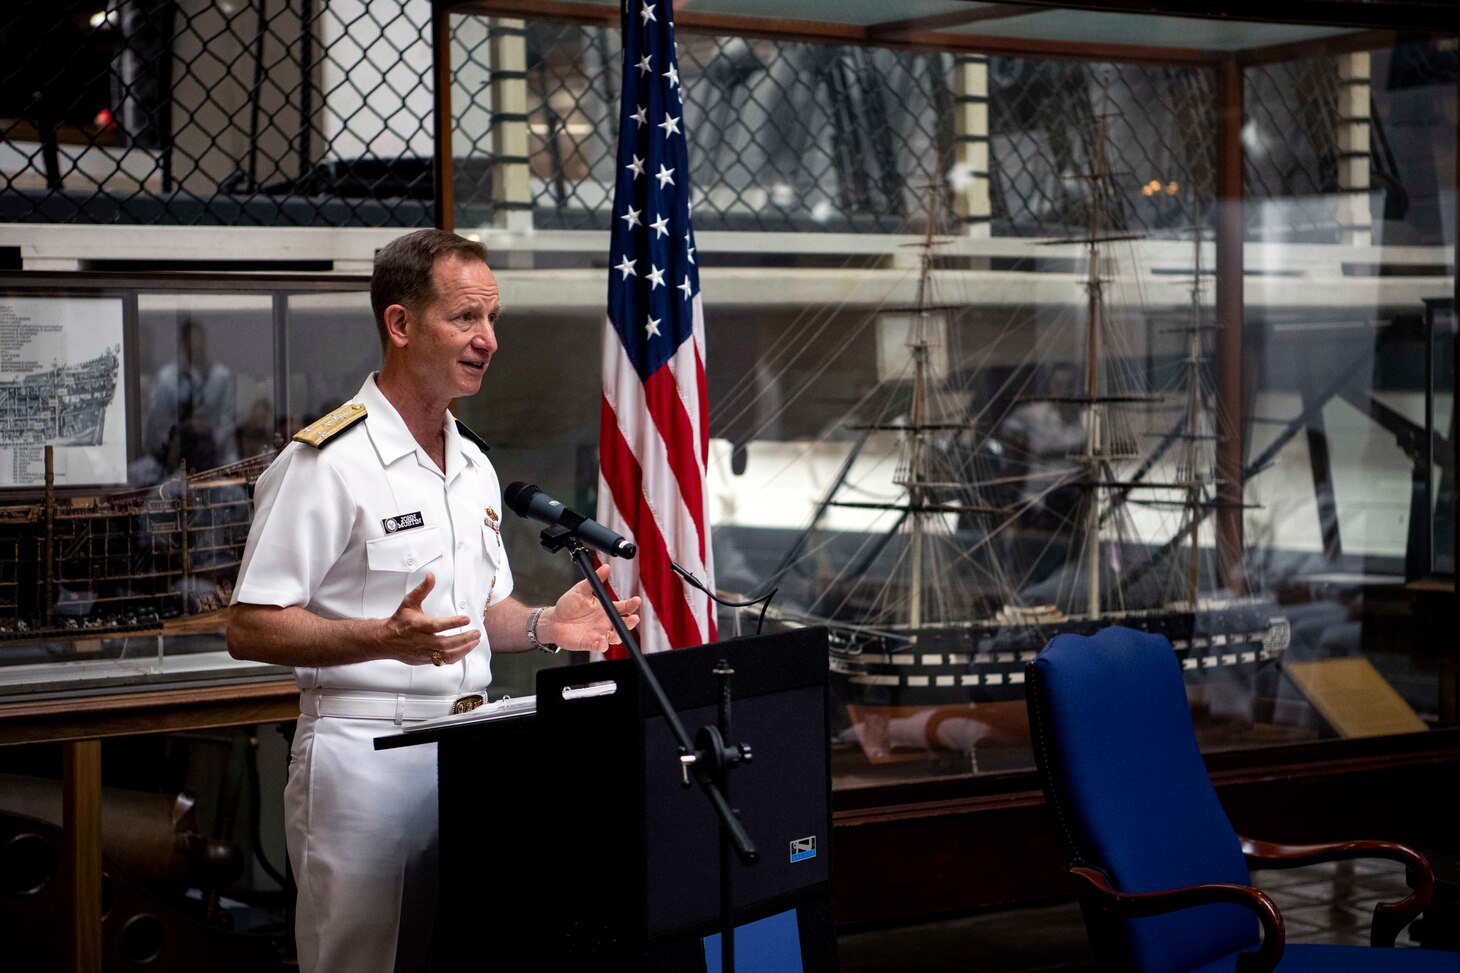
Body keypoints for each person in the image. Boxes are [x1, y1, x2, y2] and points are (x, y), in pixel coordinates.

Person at [226, 229, 640, 973]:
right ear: (401, 323)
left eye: (494, 319)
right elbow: (250, 626)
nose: (488, 339)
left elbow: (479, 614)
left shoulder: (474, 462)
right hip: (365, 757)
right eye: (466, 318)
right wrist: (384, 639)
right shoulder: (326, 462)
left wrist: (549, 624)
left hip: (474, 754)